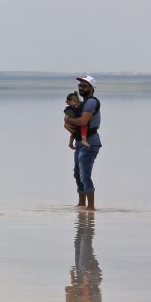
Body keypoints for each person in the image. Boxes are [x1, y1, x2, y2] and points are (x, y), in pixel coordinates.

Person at [64, 76, 103, 211]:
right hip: (80, 141)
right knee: (77, 173)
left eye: (85, 86)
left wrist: (68, 121)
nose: (81, 88)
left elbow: (83, 122)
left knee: (85, 174)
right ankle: (81, 204)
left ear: (92, 88)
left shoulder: (91, 102)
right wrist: (68, 124)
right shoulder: (82, 103)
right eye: (80, 85)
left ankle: (91, 207)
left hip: (90, 143)